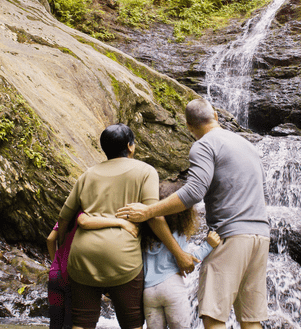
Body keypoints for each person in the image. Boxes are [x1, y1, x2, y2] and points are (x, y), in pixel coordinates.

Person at [116, 99, 270, 329]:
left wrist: (149, 210)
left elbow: (194, 192)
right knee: (250, 319)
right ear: (215, 116)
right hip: (261, 235)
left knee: (213, 316)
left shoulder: (204, 145)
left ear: (189, 126)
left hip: (231, 236)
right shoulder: (247, 145)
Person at [53, 123, 197, 329]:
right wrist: (178, 253)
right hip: (122, 258)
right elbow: (153, 216)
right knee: (132, 323)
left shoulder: (88, 174)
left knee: (82, 322)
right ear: (130, 146)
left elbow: (64, 218)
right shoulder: (145, 171)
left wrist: (61, 254)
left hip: (83, 256)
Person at [141, 182, 221, 329]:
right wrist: (208, 245)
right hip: (172, 287)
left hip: (148, 292)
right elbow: (187, 261)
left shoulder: (145, 236)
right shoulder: (178, 235)